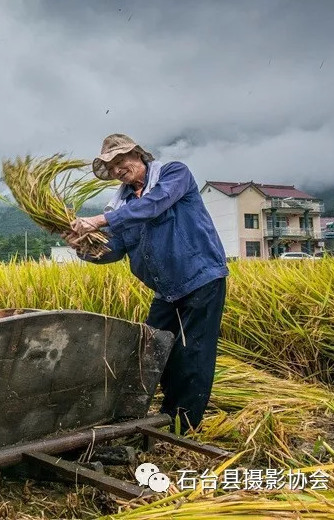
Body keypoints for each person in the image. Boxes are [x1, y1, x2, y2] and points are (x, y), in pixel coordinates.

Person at [66, 133, 228, 433]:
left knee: (193, 353)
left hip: (200, 279)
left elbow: (154, 205)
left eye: (120, 160)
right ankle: (166, 413)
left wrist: (99, 221)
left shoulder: (173, 175)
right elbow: (115, 250)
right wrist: (83, 247)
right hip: (166, 291)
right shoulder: (124, 205)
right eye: (110, 166)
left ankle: (184, 427)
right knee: (153, 350)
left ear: (138, 155)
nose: (116, 170)